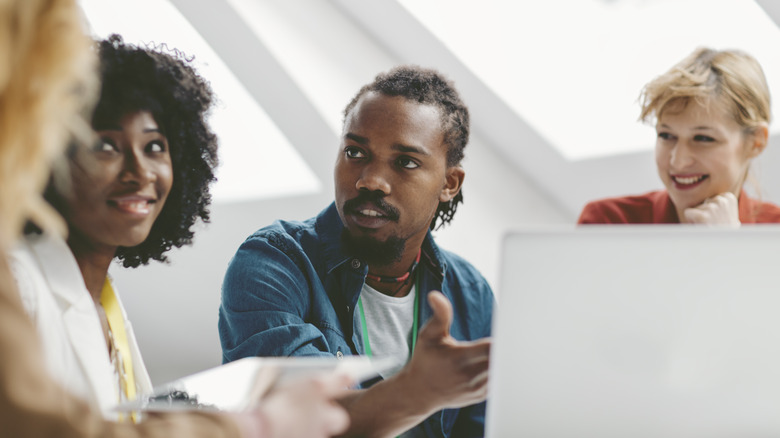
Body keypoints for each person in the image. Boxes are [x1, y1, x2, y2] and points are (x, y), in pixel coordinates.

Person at [0, 3, 347, 435]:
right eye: (106, 146)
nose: (139, 172)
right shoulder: (20, 280)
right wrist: (254, 424)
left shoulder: (102, 299)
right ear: (52, 155)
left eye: (154, 147)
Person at [220, 65, 494, 438]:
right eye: (355, 152)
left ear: (449, 182)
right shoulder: (272, 263)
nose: (369, 180)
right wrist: (419, 392)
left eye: (406, 162)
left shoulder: (470, 293)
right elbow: (303, 424)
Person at [578, 47, 780, 225]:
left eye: (703, 138)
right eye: (666, 135)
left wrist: (728, 245)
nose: (678, 161)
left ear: (756, 142)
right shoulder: (608, 223)